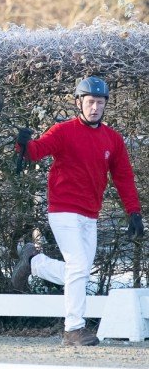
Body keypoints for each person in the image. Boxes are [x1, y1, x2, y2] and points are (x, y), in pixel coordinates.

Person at [12, 76, 144, 346]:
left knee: (79, 271)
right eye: (90, 102)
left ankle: (34, 263)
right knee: (78, 266)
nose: (95, 107)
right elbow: (37, 151)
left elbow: (124, 178)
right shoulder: (63, 131)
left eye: (100, 102)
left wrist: (134, 212)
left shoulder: (113, 139)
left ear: (105, 105)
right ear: (79, 102)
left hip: (90, 213)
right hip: (63, 209)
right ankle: (73, 329)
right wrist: (23, 145)